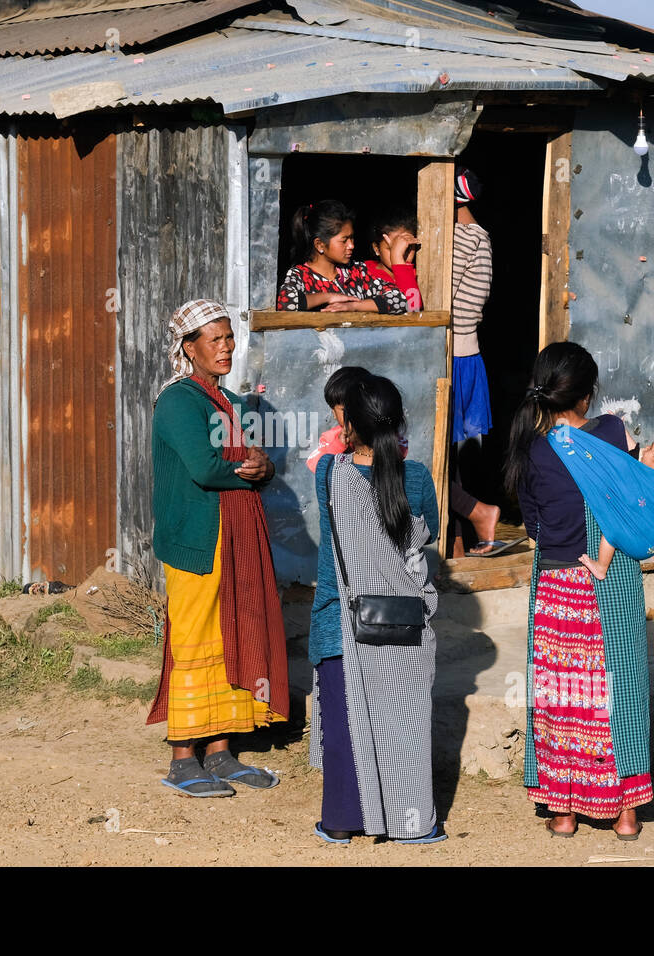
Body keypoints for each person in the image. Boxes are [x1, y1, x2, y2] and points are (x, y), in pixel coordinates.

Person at [504, 341, 652, 839]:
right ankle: (625, 814)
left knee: (563, 698)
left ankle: (564, 813)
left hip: (557, 584)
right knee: (621, 690)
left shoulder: (530, 447)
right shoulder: (613, 432)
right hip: (610, 582)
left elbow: (533, 527)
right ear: (587, 396)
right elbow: (635, 498)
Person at [148, 299, 290, 797]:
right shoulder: (178, 402)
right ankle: (183, 756)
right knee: (193, 641)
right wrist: (246, 469)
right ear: (189, 348)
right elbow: (206, 467)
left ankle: (221, 751)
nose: (227, 347)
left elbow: (252, 458)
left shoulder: (226, 400)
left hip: (233, 534)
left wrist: (264, 468)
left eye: (229, 337)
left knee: (231, 634)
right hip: (198, 538)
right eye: (215, 339)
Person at [308, 373, 445, 845]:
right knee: (404, 729)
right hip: (405, 625)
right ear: (399, 421)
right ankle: (412, 823)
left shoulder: (330, 475)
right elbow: (430, 538)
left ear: (348, 423)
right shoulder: (419, 477)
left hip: (343, 622)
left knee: (347, 727)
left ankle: (344, 821)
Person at [449, 169, 504, 555]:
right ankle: (459, 541)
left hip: (452, 356)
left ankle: (474, 517)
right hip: (469, 355)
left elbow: (438, 298)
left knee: (438, 457)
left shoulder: (459, 238)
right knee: (456, 458)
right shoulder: (481, 238)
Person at [572, 430, 654, 580]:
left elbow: (630, 462)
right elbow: (636, 453)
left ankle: (601, 567)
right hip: (653, 539)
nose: (646, 448)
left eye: (651, 448)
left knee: (612, 528)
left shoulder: (648, 481)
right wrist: (620, 427)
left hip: (640, 542)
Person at [276, 200, 408, 314]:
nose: (351, 245)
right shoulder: (300, 275)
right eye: (344, 240)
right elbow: (285, 302)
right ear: (320, 245)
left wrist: (354, 306)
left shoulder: (358, 272)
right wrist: (328, 297)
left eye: (352, 238)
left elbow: (400, 299)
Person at [365, 209, 422, 312]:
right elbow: (412, 306)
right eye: (392, 249)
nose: (401, 254)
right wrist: (396, 257)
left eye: (408, 248)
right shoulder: (364, 274)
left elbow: (414, 307)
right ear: (376, 249)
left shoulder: (417, 274)